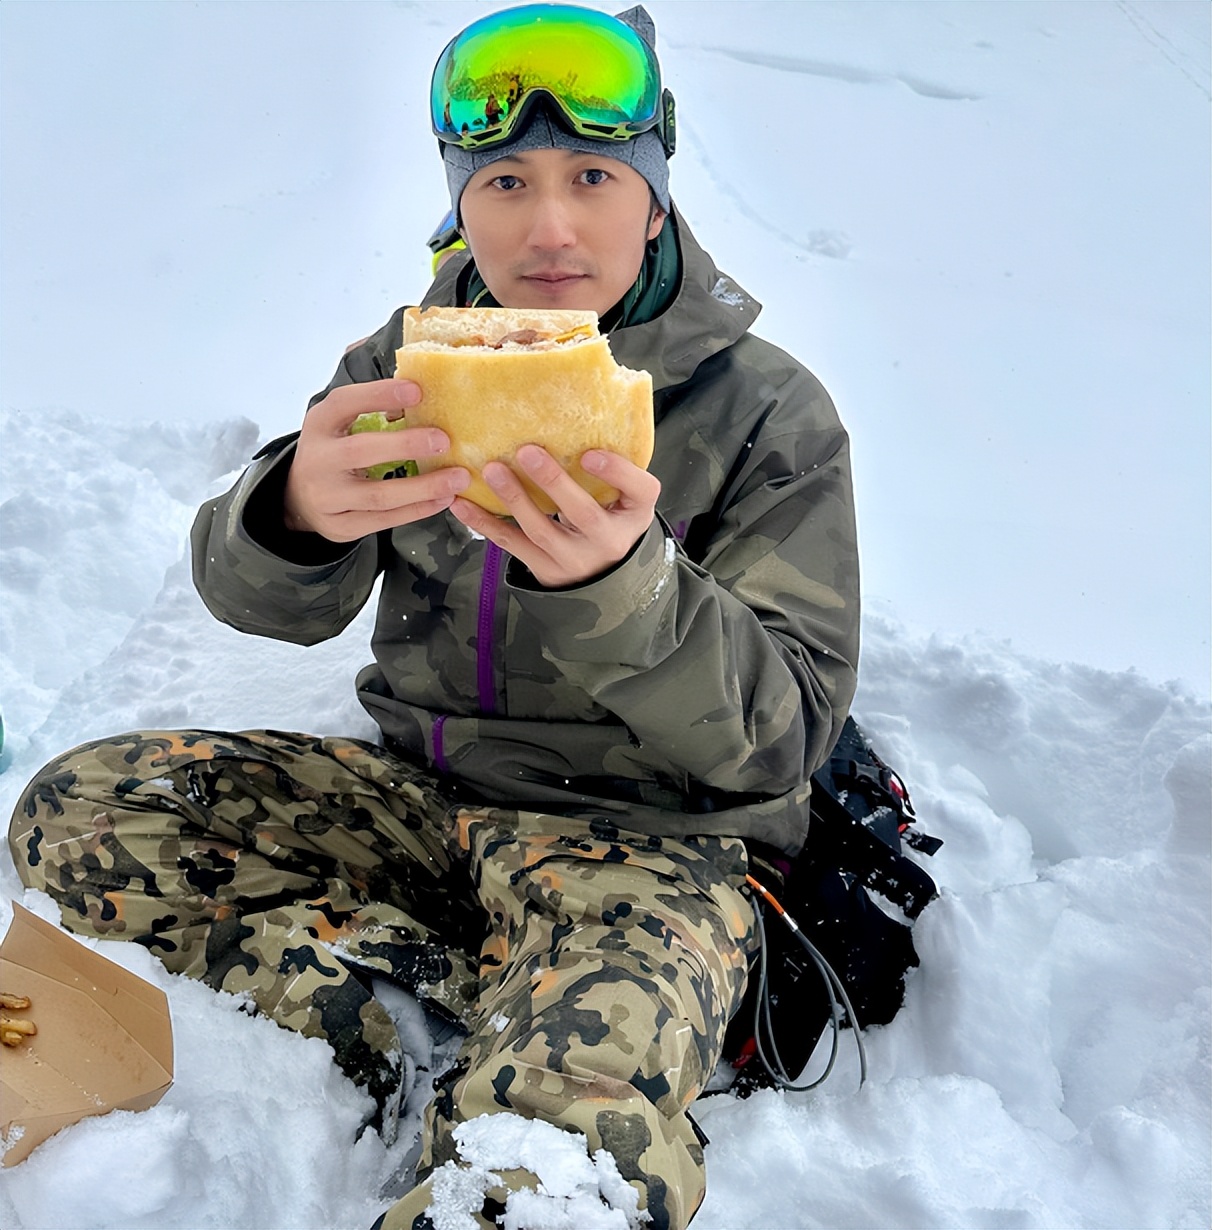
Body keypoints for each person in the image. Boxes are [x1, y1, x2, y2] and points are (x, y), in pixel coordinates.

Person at [7, 5, 859, 1227]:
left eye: (595, 178)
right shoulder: (404, 361)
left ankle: (568, 1043)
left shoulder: (772, 415)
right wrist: (292, 510)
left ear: (657, 200)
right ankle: (421, 1013)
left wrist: (623, 586)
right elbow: (257, 599)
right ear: (459, 202)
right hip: (425, 811)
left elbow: (783, 739)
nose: (549, 226)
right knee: (81, 818)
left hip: (650, 847)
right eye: (504, 178)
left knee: (556, 1160)